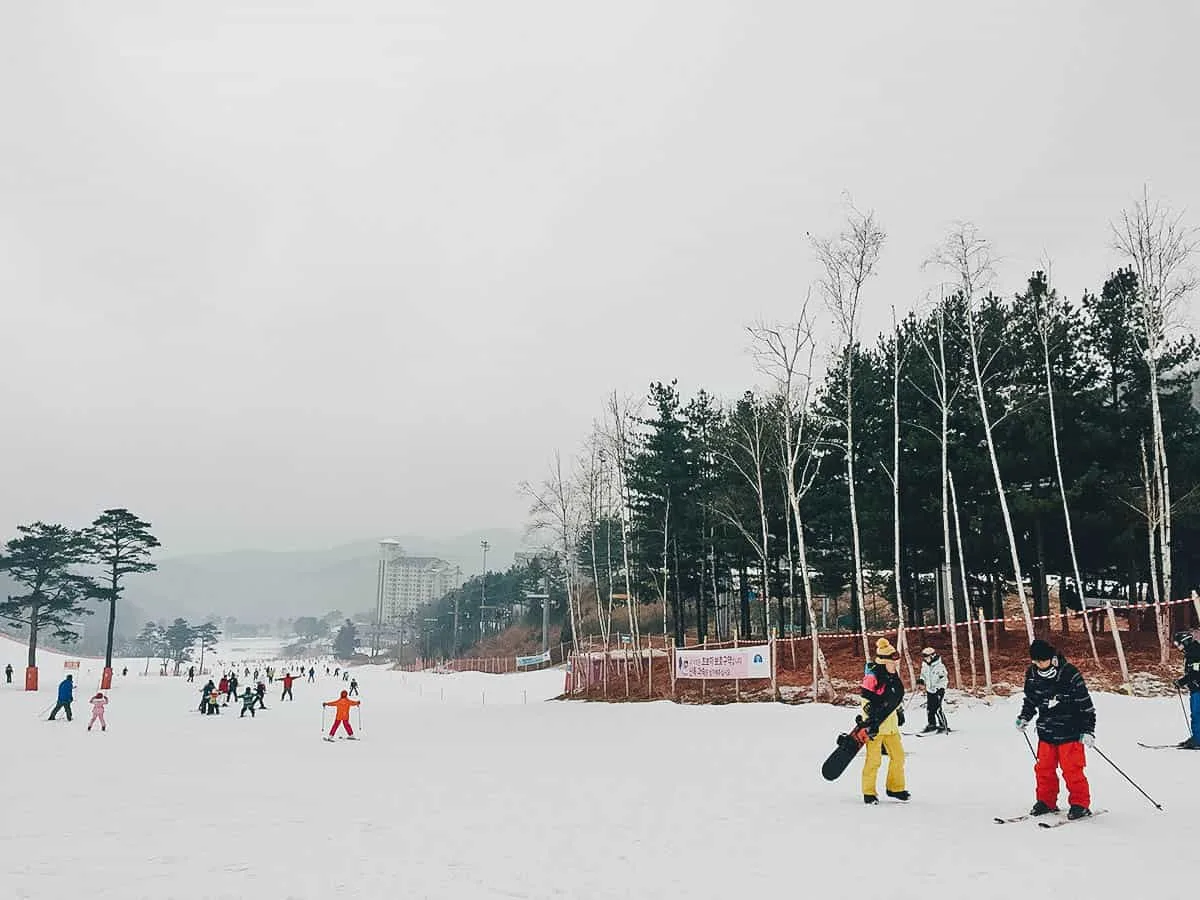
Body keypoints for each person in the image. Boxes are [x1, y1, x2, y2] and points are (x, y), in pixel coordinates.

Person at [1016, 639, 1097, 820]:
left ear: (1051, 658)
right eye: (1035, 662)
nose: (1038, 665)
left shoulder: (1069, 673)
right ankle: (1046, 801)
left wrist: (1088, 730)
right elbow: (1031, 700)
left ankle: (1079, 804)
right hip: (1046, 731)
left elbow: (1086, 705)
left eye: (1041, 661)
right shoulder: (1032, 674)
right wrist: (1024, 717)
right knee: (1043, 769)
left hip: (1070, 732)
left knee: (1072, 770)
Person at [855, 638, 907, 804]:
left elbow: (895, 698)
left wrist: (899, 712)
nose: (896, 664)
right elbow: (866, 702)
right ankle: (868, 792)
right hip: (876, 726)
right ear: (884, 661)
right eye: (894, 661)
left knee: (898, 756)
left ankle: (895, 788)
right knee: (874, 760)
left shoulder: (893, 675)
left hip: (891, 726)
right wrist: (869, 723)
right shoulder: (873, 676)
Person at [1172, 630, 1200, 749]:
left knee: (1197, 714)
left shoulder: (1196, 653)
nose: (1178, 647)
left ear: (1186, 641)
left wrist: (1181, 682)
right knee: (1196, 714)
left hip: (1198, 688)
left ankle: (1198, 740)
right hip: (1195, 688)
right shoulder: (1191, 652)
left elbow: (1196, 672)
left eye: (1179, 644)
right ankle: (1196, 737)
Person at [919, 647, 949, 734]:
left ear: (932, 656)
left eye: (927, 656)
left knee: (937, 709)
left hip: (938, 690)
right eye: (924, 657)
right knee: (930, 708)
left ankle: (943, 725)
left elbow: (944, 679)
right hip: (930, 689)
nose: (925, 658)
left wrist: (941, 688)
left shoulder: (940, 666)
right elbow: (923, 675)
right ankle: (932, 724)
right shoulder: (925, 665)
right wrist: (921, 680)